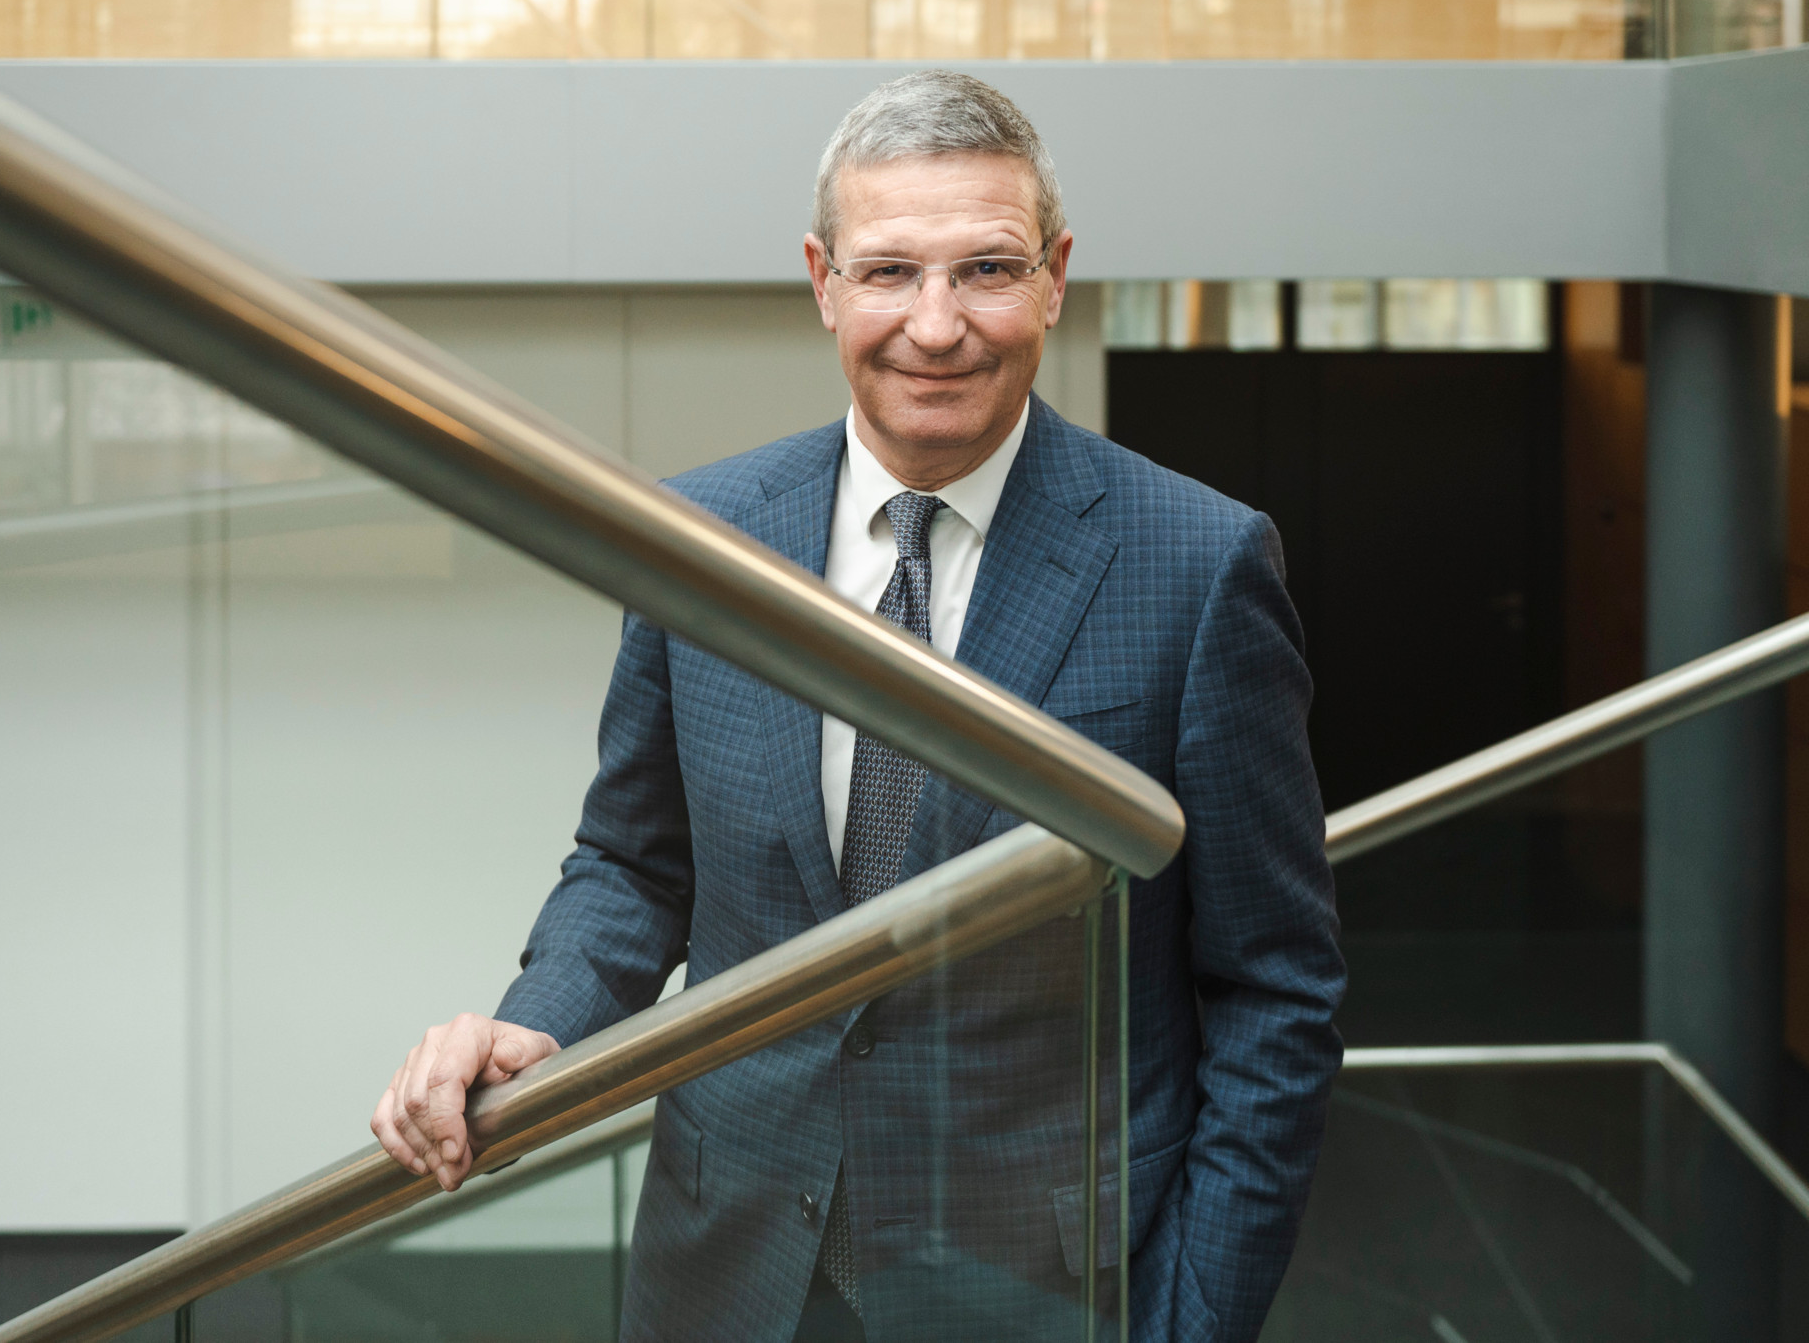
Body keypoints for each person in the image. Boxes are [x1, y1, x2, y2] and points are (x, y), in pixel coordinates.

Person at [372, 70, 1344, 1343]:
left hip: (1046, 1286)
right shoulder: (697, 540)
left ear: (1054, 276)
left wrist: (1193, 1320)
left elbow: (1272, 986)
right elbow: (632, 862)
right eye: (888, 273)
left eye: (985, 270)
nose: (934, 326)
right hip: (731, 1266)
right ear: (822, 280)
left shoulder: (1196, 563)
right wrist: (533, 1023)